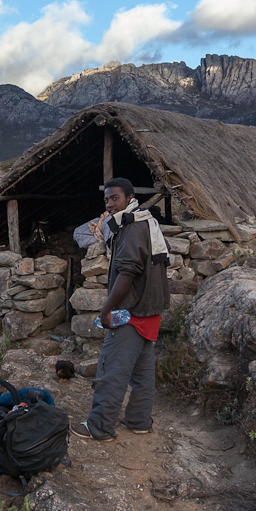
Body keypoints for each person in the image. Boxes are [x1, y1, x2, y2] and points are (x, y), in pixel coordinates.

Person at [73, 178, 170, 440]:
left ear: (129, 198)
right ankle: (138, 420)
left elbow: (127, 272)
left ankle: (99, 426)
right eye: (107, 199)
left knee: (112, 369)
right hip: (149, 309)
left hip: (131, 311)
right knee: (142, 371)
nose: (110, 204)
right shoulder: (144, 221)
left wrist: (106, 310)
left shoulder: (132, 228)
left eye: (115, 198)